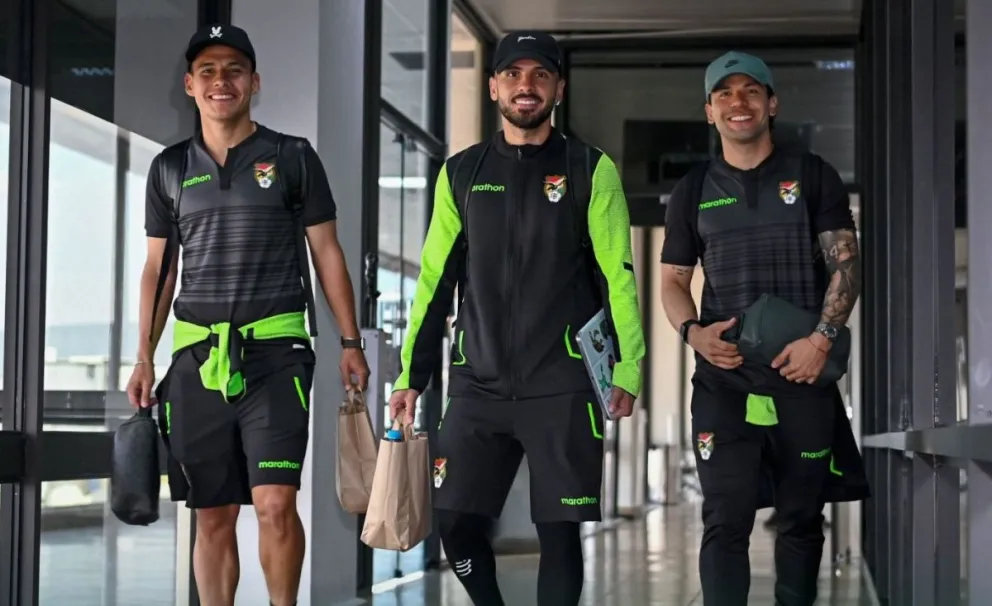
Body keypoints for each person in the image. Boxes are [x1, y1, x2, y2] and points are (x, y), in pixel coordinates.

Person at [388, 31, 645, 606]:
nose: (525, 87)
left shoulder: (589, 168)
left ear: (559, 87)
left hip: (563, 382)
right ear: (492, 86)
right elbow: (434, 283)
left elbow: (617, 277)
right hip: (478, 383)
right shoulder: (460, 173)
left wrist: (628, 368)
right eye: (513, 75)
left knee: (559, 533)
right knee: (455, 522)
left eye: (539, 75)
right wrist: (412, 375)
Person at [125, 24, 370, 606]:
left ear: (254, 82)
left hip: (277, 356)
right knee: (212, 514)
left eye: (233, 69)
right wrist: (142, 356)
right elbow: (158, 270)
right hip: (196, 360)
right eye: (207, 71)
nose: (220, 81)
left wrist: (350, 341)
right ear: (189, 85)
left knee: (275, 503)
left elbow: (327, 252)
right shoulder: (169, 169)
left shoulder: (292, 157)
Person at [659, 51, 861, 606]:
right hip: (724, 381)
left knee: (800, 519)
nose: (737, 103)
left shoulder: (812, 174)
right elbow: (673, 281)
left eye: (751, 90)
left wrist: (821, 340)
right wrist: (692, 334)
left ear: (771, 103)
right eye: (724, 93)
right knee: (725, 518)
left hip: (802, 374)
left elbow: (845, 263)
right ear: (709, 111)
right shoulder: (693, 189)